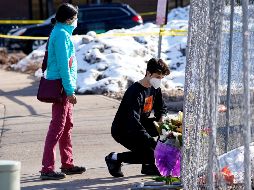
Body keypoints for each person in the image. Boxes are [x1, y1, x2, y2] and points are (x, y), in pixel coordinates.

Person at [40, 3, 85, 180]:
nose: (76, 22)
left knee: (66, 126)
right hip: (61, 88)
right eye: (75, 18)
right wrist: (69, 90)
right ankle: (47, 168)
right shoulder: (61, 35)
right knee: (57, 128)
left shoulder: (61, 32)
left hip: (63, 87)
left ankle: (67, 163)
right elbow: (63, 66)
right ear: (68, 19)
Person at [105, 58, 170, 177]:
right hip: (124, 130)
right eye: (157, 77)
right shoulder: (135, 92)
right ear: (148, 73)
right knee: (151, 154)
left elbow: (162, 107)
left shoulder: (155, 88)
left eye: (162, 78)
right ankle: (114, 158)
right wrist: (150, 142)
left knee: (166, 127)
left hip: (140, 124)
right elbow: (132, 122)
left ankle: (149, 165)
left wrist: (162, 118)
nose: (159, 80)